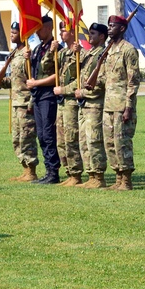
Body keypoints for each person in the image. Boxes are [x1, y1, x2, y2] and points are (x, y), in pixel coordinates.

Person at [95, 14, 140, 191]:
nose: (109, 28)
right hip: (108, 105)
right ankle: (118, 178)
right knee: (110, 143)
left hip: (122, 105)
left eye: (113, 26)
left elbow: (133, 81)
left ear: (122, 28)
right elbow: (106, 77)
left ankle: (126, 180)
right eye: (109, 25)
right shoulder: (109, 50)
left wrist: (129, 106)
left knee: (122, 143)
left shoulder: (128, 50)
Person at [0, 22, 38, 182]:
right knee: (17, 138)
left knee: (27, 137)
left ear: (23, 34)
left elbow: (32, 79)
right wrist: (1, 82)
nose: (11, 35)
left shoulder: (28, 53)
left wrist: (31, 103)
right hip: (16, 102)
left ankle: (31, 171)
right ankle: (25, 170)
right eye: (10, 32)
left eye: (14, 32)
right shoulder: (14, 54)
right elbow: (16, 80)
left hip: (25, 103)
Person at [25, 16, 60, 184]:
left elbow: (58, 76)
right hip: (38, 96)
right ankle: (48, 171)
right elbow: (33, 72)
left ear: (48, 28)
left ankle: (54, 172)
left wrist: (36, 83)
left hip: (49, 96)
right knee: (41, 135)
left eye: (39, 29)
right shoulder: (38, 49)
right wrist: (28, 59)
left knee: (48, 134)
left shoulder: (56, 48)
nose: (36, 33)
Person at [74, 24, 109, 188]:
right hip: (84, 105)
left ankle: (99, 176)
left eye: (93, 34)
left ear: (102, 36)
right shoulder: (90, 54)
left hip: (95, 104)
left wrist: (84, 93)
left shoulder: (103, 54)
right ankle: (91, 175)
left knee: (94, 140)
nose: (90, 36)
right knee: (84, 141)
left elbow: (101, 82)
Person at [51, 22, 83, 186]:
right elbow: (48, 68)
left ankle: (76, 173)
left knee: (71, 138)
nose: (61, 33)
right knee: (61, 139)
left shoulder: (80, 53)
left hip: (71, 100)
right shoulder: (62, 53)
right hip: (62, 102)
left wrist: (64, 90)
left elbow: (82, 78)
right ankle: (69, 172)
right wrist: (52, 51)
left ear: (72, 33)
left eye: (64, 30)